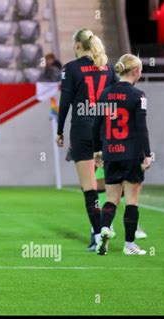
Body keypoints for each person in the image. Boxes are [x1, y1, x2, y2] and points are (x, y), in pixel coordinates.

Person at [55, 28, 119, 251]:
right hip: (106, 131)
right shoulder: (108, 68)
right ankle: (111, 224)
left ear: (78, 45)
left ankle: (96, 233)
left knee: (89, 187)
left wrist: (59, 130)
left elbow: (65, 103)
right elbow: (117, 101)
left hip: (82, 131)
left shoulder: (71, 68)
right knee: (112, 184)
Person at [93, 54, 151, 256]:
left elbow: (97, 125)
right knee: (132, 200)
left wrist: (97, 150)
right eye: (140, 70)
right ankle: (129, 245)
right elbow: (142, 129)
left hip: (110, 153)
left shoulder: (105, 94)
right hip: (131, 153)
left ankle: (104, 230)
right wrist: (147, 154)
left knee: (111, 200)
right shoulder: (138, 96)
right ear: (135, 71)